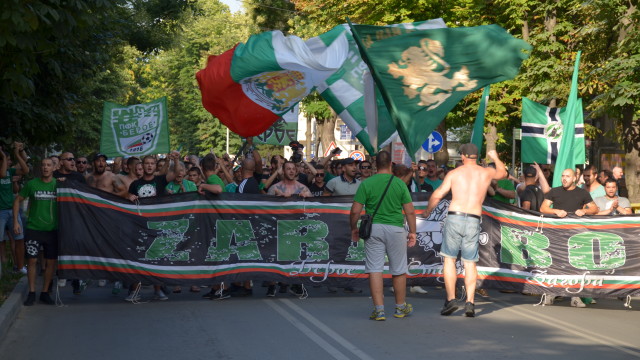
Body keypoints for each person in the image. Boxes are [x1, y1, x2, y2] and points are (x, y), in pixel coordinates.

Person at [421, 144, 507, 317]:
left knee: (450, 260)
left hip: (455, 216)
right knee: (470, 262)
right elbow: (503, 173)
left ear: (462, 156)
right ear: (476, 156)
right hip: (474, 217)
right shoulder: (485, 173)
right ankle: (470, 302)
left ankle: (451, 299)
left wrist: (427, 211)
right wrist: (495, 156)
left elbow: (438, 194)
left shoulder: (454, 174)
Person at [350, 150, 416, 321]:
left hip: (374, 229)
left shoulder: (367, 183)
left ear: (375, 165)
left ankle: (379, 310)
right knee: (399, 269)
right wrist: (413, 232)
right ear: (390, 164)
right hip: (396, 229)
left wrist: (353, 228)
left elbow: (355, 210)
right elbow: (410, 211)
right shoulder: (400, 184)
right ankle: (400, 307)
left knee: (374, 269)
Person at [539, 168, 598, 308]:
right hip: (557, 233)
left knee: (574, 265)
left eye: (567, 176)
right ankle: (551, 293)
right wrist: (555, 211)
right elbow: (543, 208)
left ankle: (575, 296)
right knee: (555, 263)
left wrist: (584, 210)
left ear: (574, 179)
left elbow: (595, 209)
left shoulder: (582, 193)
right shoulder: (554, 192)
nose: (564, 179)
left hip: (575, 235)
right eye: (562, 176)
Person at [127, 153, 178, 301]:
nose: (149, 165)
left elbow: (175, 173)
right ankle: (135, 291)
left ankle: (158, 290)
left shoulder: (160, 180)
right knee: (139, 256)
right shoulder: (135, 184)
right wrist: (128, 197)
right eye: (146, 163)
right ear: (141, 166)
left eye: (152, 163)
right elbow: (127, 201)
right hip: (140, 225)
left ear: (155, 166)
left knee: (156, 256)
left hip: (157, 224)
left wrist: (175, 159)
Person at [13, 158, 58, 306]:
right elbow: (17, 200)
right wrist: (16, 222)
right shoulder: (32, 184)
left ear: (53, 168)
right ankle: (32, 292)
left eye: (48, 165)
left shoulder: (58, 185)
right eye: (43, 165)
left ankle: (45, 292)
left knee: (51, 262)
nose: (45, 168)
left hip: (52, 230)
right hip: (34, 228)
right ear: (41, 168)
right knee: (32, 260)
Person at [1, 143, 29, 273]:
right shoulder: (3, 173)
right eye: (7, 160)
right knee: (1, 240)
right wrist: (2, 155)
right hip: (0, 212)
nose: (10, 162)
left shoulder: (10, 171)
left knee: (19, 238)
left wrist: (18, 153)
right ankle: (3, 265)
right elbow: (2, 174)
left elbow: (25, 170)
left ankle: (20, 266)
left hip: (12, 210)